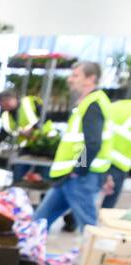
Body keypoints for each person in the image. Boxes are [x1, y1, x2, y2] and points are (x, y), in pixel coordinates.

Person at [32, 61, 114, 234]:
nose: (70, 80)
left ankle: (95, 258)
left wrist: (79, 169)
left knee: (89, 228)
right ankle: (22, 252)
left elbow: (92, 143)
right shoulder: (88, 103)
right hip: (71, 176)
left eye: (76, 75)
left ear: (90, 79)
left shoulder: (93, 104)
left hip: (80, 177)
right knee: (39, 222)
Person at [101, 97, 131, 209]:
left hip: (101, 157)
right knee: (111, 197)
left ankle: (72, 219)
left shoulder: (116, 105)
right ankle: (103, 221)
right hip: (120, 164)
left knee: (89, 191)